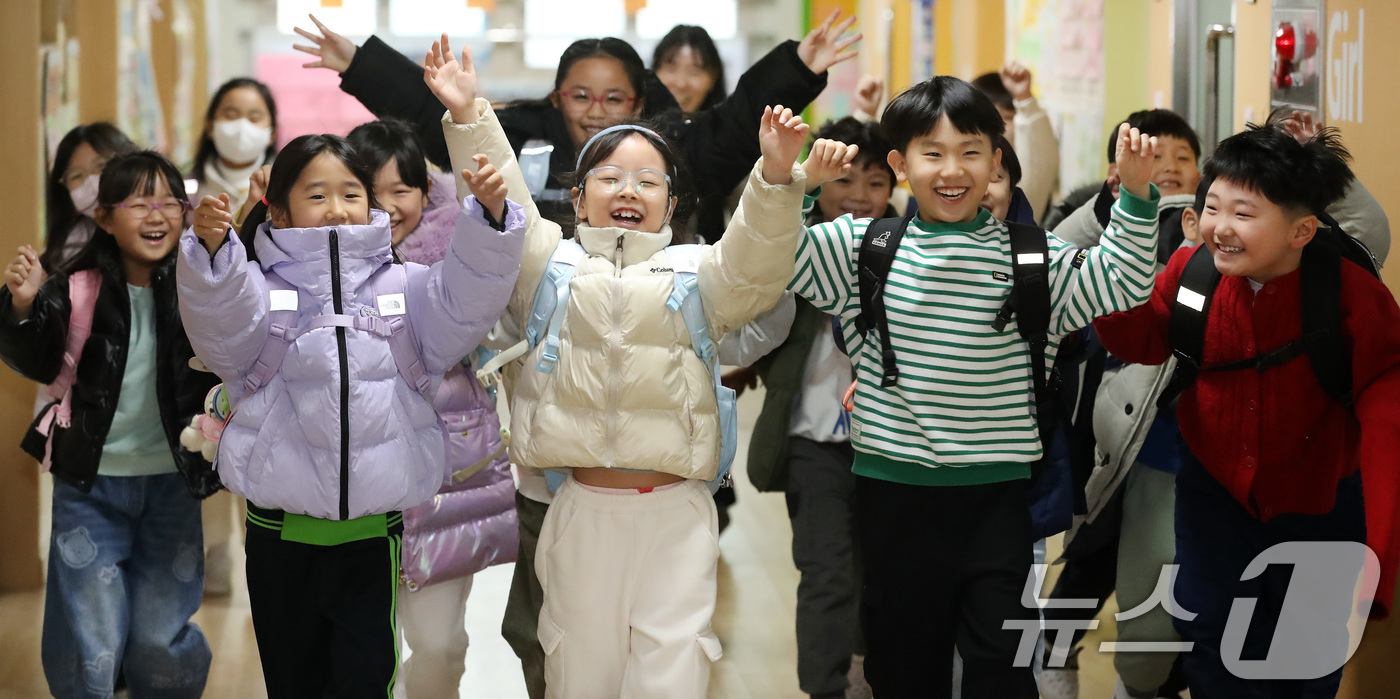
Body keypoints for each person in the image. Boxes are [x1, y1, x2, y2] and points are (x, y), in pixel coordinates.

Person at [425, 36, 848, 697]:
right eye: (610, 178)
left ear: (672, 205)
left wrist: (772, 181)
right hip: (581, 507)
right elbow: (505, 194)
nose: (629, 189)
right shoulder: (551, 267)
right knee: (578, 673)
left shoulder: (699, 272)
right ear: (580, 195)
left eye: (648, 180)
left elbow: (755, 267)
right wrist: (468, 111)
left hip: (676, 513)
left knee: (671, 674)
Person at [787, 75, 1164, 697]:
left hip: (997, 502)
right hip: (892, 496)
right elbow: (776, 259)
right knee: (905, 668)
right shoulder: (862, 248)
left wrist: (1139, 195)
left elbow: (1121, 283)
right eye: (932, 153)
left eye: (970, 152)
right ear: (900, 164)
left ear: (996, 159)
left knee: (1002, 670)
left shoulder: (1032, 257)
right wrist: (794, 188)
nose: (952, 170)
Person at [177, 131, 525, 696]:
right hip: (278, 533)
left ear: (373, 206)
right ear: (280, 213)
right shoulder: (258, 289)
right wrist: (215, 256)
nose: (336, 208)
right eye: (316, 195)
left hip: (371, 535)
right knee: (294, 680)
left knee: (367, 680)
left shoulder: (406, 287)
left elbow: (466, 303)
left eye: (351, 193)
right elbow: (221, 335)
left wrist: (488, 222)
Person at [1094, 118, 1400, 698]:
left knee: (1306, 657)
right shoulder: (1194, 273)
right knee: (1213, 642)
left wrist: (1377, 561)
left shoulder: (1351, 296)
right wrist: (1113, 263)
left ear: (1301, 231)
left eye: (1244, 213)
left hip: (1323, 507)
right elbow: (1142, 338)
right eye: (1213, 207)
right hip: (1216, 501)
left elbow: (1389, 425)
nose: (1221, 228)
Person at [292, 12, 855, 239]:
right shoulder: (526, 138)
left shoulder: (673, 147)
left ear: (637, 101)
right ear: (559, 97)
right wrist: (359, 62)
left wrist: (797, 67)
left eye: (614, 97)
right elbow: (442, 120)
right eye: (580, 95)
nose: (596, 109)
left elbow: (734, 125)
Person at [0, 151, 222, 698]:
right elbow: (37, 358)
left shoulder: (200, 286)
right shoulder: (76, 287)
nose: (158, 214)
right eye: (139, 202)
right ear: (103, 218)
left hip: (173, 483)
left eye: (171, 202)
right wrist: (23, 306)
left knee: (158, 635)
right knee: (89, 634)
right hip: (89, 486)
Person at [346, 117, 519, 698]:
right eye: (371, 192)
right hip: (354, 489)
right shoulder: (317, 268)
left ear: (426, 192)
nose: (389, 207)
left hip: (444, 478)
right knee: (363, 644)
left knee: (440, 643)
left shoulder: (458, 257)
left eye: (403, 190)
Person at [737, 115, 896, 699]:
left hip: (890, 443)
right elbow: (762, 276)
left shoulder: (903, 244)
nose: (858, 195)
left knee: (881, 574)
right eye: (845, 179)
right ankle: (825, 689)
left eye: (875, 182)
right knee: (827, 571)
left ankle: (863, 674)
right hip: (812, 440)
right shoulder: (797, 243)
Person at [186, 77, 280, 595]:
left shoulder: (285, 189)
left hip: (262, 353)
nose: (240, 125)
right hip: (196, 353)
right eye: (230, 112)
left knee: (253, 457)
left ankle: (252, 564)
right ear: (209, 122)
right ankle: (214, 566)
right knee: (204, 448)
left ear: (270, 129)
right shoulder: (181, 188)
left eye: (254, 115)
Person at [43, 123, 138, 273]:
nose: (91, 183)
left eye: (101, 166)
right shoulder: (62, 256)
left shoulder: (158, 228)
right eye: (77, 176)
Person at [972, 62, 1059, 221]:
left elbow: (1040, 161)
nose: (998, 129)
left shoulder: (1025, 178)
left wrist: (1025, 100)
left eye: (1008, 117)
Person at [653, 24, 727, 114]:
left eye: (694, 72)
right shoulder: (636, 126)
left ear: (713, 78)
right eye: (671, 69)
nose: (681, 84)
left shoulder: (731, 126)